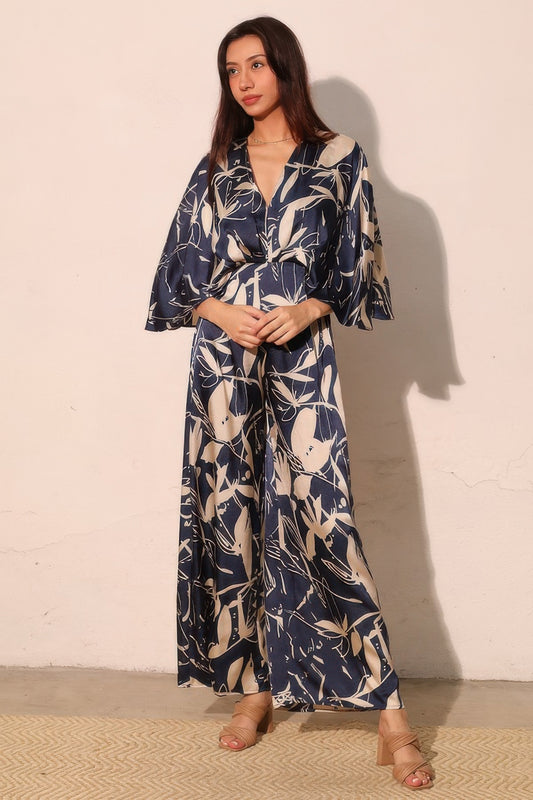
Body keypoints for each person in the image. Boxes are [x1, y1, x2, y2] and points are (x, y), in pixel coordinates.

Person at [146, 16, 434, 791]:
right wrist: (218, 312)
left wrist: (308, 308)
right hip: (223, 363)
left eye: (255, 65)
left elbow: (357, 265)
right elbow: (179, 272)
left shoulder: (338, 158)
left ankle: (390, 716)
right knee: (232, 517)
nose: (243, 81)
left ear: (284, 68)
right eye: (230, 70)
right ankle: (254, 690)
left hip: (302, 359)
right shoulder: (217, 165)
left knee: (323, 517)